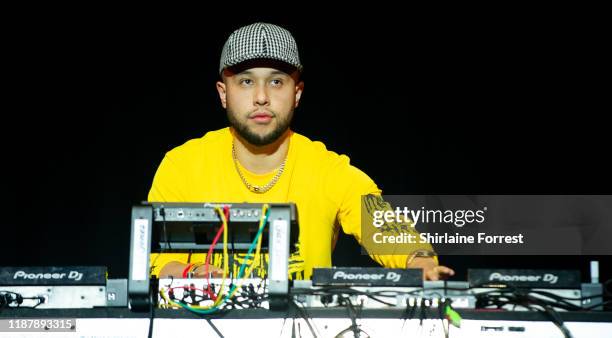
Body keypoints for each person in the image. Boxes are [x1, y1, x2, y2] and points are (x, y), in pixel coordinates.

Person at [148, 22, 454, 281]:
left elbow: (392, 234)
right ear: (223, 93)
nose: (261, 97)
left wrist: (421, 263)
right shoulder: (183, 165)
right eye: (245, 81)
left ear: (297, 93)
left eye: (277, 81)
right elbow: (157, 266)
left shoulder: (329, 170)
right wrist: (195, 273)